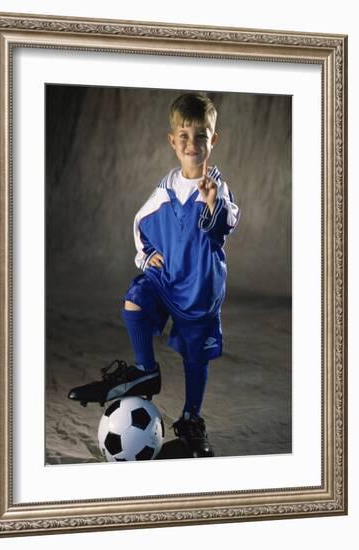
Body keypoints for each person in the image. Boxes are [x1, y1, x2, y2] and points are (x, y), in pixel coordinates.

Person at [68, 92, 240, 457]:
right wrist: (146, 258)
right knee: (134, 301)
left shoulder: (216, 187)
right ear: (172, 141)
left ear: (213, 140)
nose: (192, 144)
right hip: (167, 282)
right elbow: (140, 223)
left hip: (199, 292)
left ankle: (191, 418)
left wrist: (213, 204)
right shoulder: (164, 189)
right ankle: (146, 369)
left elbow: (224, 225)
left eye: (201, 136)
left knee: (196, 359)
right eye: (184, 136)